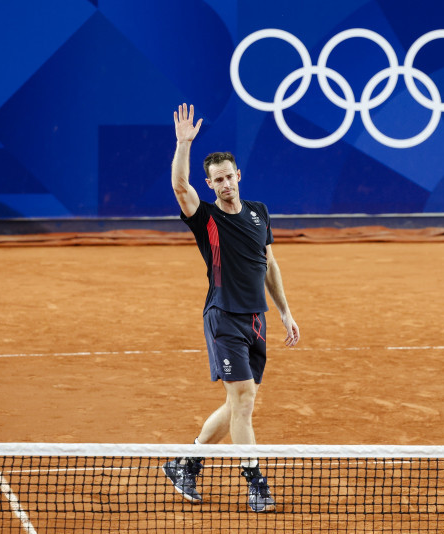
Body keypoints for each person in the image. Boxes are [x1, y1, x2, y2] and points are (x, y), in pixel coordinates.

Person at [162, 103, 300, 512]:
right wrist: (182, 144)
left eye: (229, 177)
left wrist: (286, 312)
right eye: (216, 180)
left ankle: (185, 463)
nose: (225, 184)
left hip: (256, 320)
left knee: (239, 403)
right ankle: (256, 481)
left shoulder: (259, 212)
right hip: (222, 317)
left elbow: (269, 266)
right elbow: (178, 184)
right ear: (209, 184)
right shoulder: (204, 219)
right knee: (242, 400)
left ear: (238, 176)